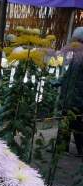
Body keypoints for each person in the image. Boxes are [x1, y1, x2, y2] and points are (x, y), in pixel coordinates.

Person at [57, 27, 83, 157]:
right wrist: (59, 81)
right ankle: (62, 148)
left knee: (77, 124)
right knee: (65, 122)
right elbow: (68, 74)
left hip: (78, 99)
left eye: (77, 41)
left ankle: (81, 150)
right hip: (69, 97)